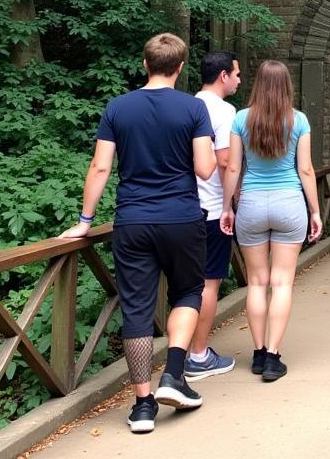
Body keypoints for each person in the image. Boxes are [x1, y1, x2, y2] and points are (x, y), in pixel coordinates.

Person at [61, 33, 215, 434]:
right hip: (181, 217)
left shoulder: (118, 107)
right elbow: (204, 169)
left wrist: (84, 221)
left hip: (132, 221)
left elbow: (99, 168)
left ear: (144, 64)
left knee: (137, 309)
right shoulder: (193, 108)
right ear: (180, 68)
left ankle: (143, 406)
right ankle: (174, 376)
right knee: (187, 292)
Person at [220, 60, 322, 382]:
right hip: (289, 203)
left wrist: (227, 207)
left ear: (258, 85)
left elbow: (234, 169)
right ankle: (274, 358)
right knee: (281, 283)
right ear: (287, 86)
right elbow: (305, 169)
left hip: (250, 203)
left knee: (257, 283)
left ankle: (258, 352)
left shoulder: (241, 118)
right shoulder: (299, 120)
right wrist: (316, 210)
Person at [183, 51, 241, 380]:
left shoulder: (187, 105)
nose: (238, 79)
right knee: (208, 283)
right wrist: (231, 202)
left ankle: (182, 349)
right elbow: (223, 162)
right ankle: (198, 354)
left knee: (186, 283)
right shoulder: (224, 111)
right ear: (222, 76)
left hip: (182, 207)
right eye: (236, 74)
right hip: (211, 208)